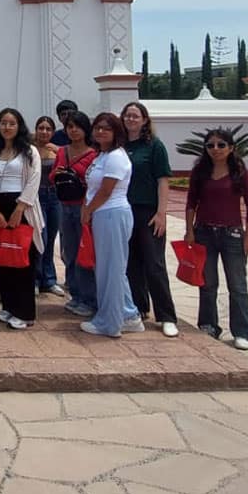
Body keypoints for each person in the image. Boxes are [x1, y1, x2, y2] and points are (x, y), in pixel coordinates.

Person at [185, 127, 248, 350]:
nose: (215, 149)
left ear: (231, 148)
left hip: (232, 234)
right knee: (207, 283)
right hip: (205, 232)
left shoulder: (238, 171)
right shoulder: (200, 171)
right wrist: (190, 230)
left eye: (220, 145)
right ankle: (208, 325)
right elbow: (191, 202)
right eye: (210, 145)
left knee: (237, 285)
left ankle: (242, 331)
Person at [78, 111, 144, 337]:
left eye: (106, 128)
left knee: (110, 271)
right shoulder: (102, 155)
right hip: (103, 214)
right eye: (97, 127)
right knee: (112, 268)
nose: (100, 132)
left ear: (116, 132)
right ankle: (128, 315)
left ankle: (109, 322)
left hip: (111, 213)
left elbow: (106, 191)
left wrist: (87, 210)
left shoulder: (116, 156)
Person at [0, 108, 45, 329]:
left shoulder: (29, 152)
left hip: (23, 209)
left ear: (19, 127)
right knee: (4, 258)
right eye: (3, 123)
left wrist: (19, 209)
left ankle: (24, 312)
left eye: (12, 123)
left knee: (23, 261)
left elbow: (34, 180)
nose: (7, 127)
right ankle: (8, 306)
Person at [122, 101, 179, 337]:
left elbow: (162, 180)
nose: (131, 119)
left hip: (148, 212)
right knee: (131, 263)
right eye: (127, 115)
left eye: (136, 116)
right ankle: (139, 307)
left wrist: (161, 213)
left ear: (145, 120)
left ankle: (166, 316)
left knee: (154, 264)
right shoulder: (119, 146)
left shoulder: (154, 146)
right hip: (124, 211)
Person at [54, 110, 99, 318]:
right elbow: (53, 174)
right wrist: (61, 173)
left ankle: (90, 298)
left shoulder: (93, 154)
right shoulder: (62, 151)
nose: (73, 130)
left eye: (77, 126)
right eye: (70, 126)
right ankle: (76, 294)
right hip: (64, 206)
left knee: (85, 253)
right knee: (69, 253)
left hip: (83, 207)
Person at [32, 115, 65, 298]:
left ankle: (50, 280)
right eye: (41, 128)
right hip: (37, 197)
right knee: (40, 239)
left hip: (55, 197)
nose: (44, 132)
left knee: (51, 239)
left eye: (48, 129)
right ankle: (36, 279)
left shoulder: (58, 151)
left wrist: (59, 152)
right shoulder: (30, 150)